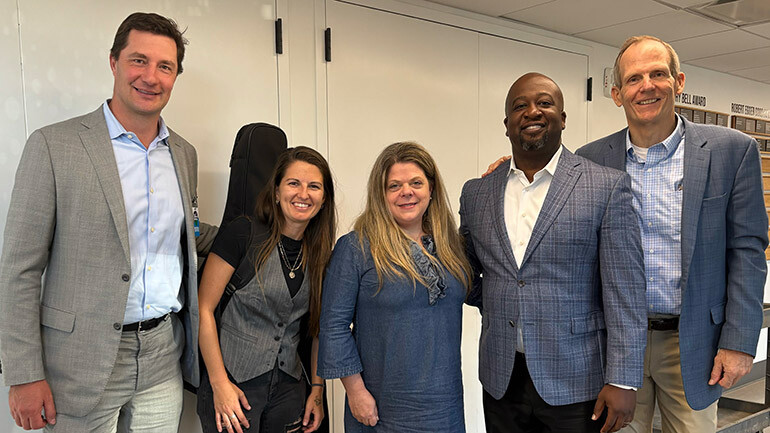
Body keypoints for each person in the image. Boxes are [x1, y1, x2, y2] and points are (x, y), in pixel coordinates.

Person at [0, 12, 217, 432]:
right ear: (114, 62)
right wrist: (24, 373)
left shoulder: (184, 154)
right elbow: (19, 270)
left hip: (162, 354)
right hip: (79, 360)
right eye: (139, 60)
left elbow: (180, 234)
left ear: (176, 76)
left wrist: (251, 236)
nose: (151, 77)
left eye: (165, 66)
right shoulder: (53, 145)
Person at [575, 35, 769, 432]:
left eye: (657, 74)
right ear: (616, 93)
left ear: (679, 81)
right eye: (633, 79)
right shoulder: (591, 160)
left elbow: (748, 251)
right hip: (617, 341)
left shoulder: (732, 150)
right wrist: (513, 171)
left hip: (694, 339)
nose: (646, 86)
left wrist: (739, 340)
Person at [461, 73, 647, 433]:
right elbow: (465, 270)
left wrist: (623, 379)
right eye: (520, 106)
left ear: (562, 119)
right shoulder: (477, 193)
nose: (532, 111)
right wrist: (504, 301)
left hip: (577, 379)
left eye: (544, 103)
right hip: (502, 377)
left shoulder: (606, 186)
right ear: (506, 124)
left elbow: (624, 291)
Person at [318, 142, 471, 432]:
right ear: (381, 194)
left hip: (445, 406)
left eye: (416, 183)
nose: (407, 192)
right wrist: (355, 392)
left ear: (431, 189)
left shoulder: (452, 247)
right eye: (394, 186)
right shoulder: (356, 248)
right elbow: (333, 327)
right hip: (380, 408)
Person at [197, 146, 334, 433]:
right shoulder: (243, 234)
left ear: (323, 199)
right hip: (234, 385)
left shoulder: (321, 254)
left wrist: (317, 391)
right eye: (293, 183)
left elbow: (319, 327)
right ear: (276, 191)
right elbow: (204, 309)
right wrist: (219, 384)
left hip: (289, 389)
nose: (303, 193)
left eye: (314, 186)